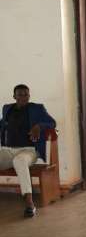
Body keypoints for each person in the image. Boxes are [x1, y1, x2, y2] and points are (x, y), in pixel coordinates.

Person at [0, 84, 56, 217]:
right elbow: (2, 124)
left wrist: (39, 126)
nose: (24, 97)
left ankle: (29, 202)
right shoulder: (7, 109)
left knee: (19, 161)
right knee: (14, 158)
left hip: (29, 151)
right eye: (20, 94)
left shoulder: (37, 108)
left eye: (26, 94)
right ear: (14, 96)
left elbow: (52, 123)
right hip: (8, 150)